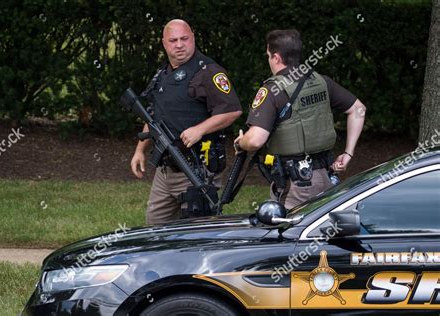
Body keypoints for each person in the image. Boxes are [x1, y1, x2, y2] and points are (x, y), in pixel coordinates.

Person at [234, 29, 366, 210]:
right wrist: (348, 153)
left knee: (288, 232)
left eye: (268, 56)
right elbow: (358, 109)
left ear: (276, 57)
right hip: (328, 177)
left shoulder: (273, 90)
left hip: (297, 186)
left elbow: (256, 140)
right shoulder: (321, 81)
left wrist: (242, 143)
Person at [131, 19, 242, 225]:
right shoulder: (162, 75)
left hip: (197, 169)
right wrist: (140, 151)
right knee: (154, 230)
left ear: (193, 38)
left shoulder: (209, 71)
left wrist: (200, 129)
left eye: (184, 38)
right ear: (164, 43)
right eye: (173, 40)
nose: (179, 44)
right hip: (165, 171)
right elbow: (153, 117)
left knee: (195, 233)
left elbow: (232, 110)